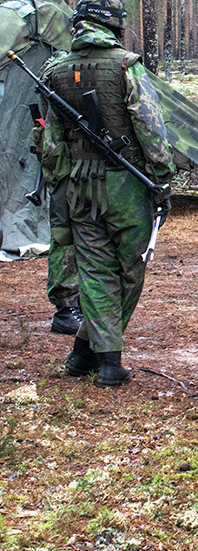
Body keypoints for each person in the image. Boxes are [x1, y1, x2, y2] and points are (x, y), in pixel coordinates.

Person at [40, 0, 175, 388]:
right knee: (130, 271)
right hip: (127, 185)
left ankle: (85, 354)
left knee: (96, 273)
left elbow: (52, 144)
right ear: (115, 23)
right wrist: (162, 176)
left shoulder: (57, 72)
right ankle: (109, 364)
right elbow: (151, 127)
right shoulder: (127, 66)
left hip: (81, 186)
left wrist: (62, 186)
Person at [32, 49, 82, 337]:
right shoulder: (58, 68)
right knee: (65, 236)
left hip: (80, 165)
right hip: (63, 165)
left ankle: (80, 302)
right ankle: (66, 308)